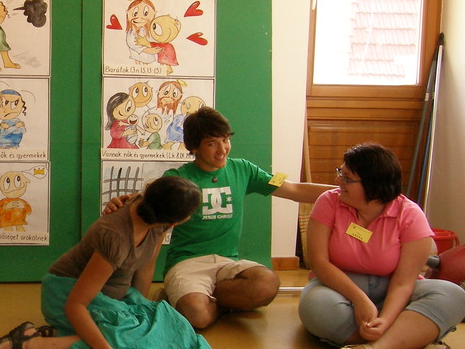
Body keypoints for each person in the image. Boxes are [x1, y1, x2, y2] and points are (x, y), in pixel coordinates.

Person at [0, 176, 216, 349]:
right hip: (67, 293)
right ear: (177, 220)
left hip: (112, 297)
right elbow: (75, 304)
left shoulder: (158, 220)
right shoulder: (115, 236)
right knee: (130, 346)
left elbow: (145, 267)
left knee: (175, 330)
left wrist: (140, 314)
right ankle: (29, 347)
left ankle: (57, 334)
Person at [110, 106, 331, 329]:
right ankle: (200, 301)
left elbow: (293, 189)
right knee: (197, 315)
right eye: (211, 143)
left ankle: (198, 299)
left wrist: (341, 192)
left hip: (227, 264)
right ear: (194, 147)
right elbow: (148, 226)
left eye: (225, 140)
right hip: (186, 265)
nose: (222, 149)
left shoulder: (244, 169)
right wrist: (140, 303)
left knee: (267, 284)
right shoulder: (178, 179)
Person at [298, 143, 465, 349]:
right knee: (315, 305)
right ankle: (412, 343)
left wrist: (385, 320)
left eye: (347, 178)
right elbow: (319, 262)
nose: (338, 181)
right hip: (340, 288)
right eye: (340, 173)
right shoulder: (329, 202)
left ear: (374, 185)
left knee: (453, 295)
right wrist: (360, 299)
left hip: (395, 291)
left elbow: (404, 282)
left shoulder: (410, 215)